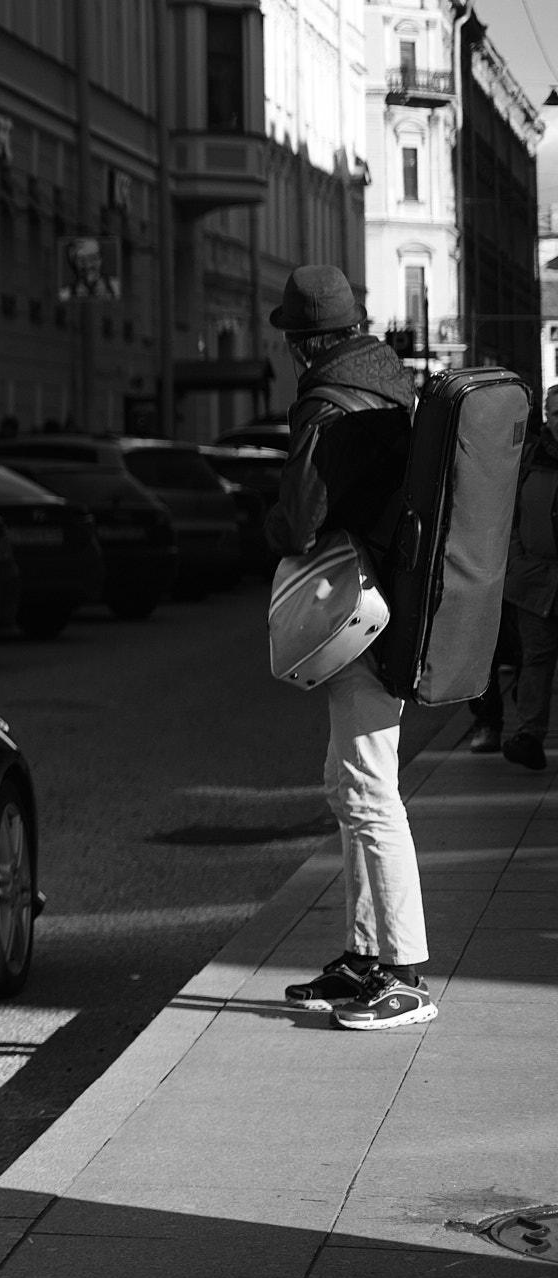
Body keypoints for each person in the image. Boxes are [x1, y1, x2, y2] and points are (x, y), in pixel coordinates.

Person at [264, 264, 435, 1032]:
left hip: (357, 613)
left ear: (302, 345)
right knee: (349, 782)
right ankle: (364, 957)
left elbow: (299, 522)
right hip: (392, 599)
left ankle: (404, 972)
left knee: (368, 788)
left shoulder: (324, 405)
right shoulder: (391, 383)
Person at [496, 386, 558, 768]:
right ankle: (529, 736)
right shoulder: (529, 458)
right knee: (535, 658)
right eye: (555, 413)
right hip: (535, 580)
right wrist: (517, 561)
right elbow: (509, 514)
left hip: (534, 575)